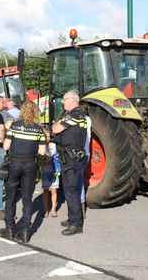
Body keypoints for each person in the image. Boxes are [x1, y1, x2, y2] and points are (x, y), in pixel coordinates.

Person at [0, 101, 46, 243]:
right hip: (30, 165)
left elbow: (6, 146)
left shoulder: (15, 126)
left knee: (11, 196)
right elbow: (42, 151)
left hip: (14, 164)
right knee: (27, 198)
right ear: (35, 113)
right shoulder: (39, 129)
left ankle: (9, 229)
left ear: (22, 111)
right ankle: (25, 231)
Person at [51, 90, 90, 236]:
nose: (62, 102)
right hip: (69, 158)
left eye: (65, 99)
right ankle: (72, 218)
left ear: (73, 100)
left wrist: (58, 125)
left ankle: (76, 224)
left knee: (72, 191)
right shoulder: (72, 115)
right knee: (68, 190)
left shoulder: (76, 115)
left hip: (72, 159)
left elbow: (55, 129)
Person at [42, 141, 61, 218]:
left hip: (55, 171)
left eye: (49, 135)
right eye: (46, 136)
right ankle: (46, 210)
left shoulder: (55, 145)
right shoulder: (42, 145)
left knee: (54, 190)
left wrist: (58, 170)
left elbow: (57, 158)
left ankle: (53, 209)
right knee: (46, 190)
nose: (47, 138)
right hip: (45, 171)